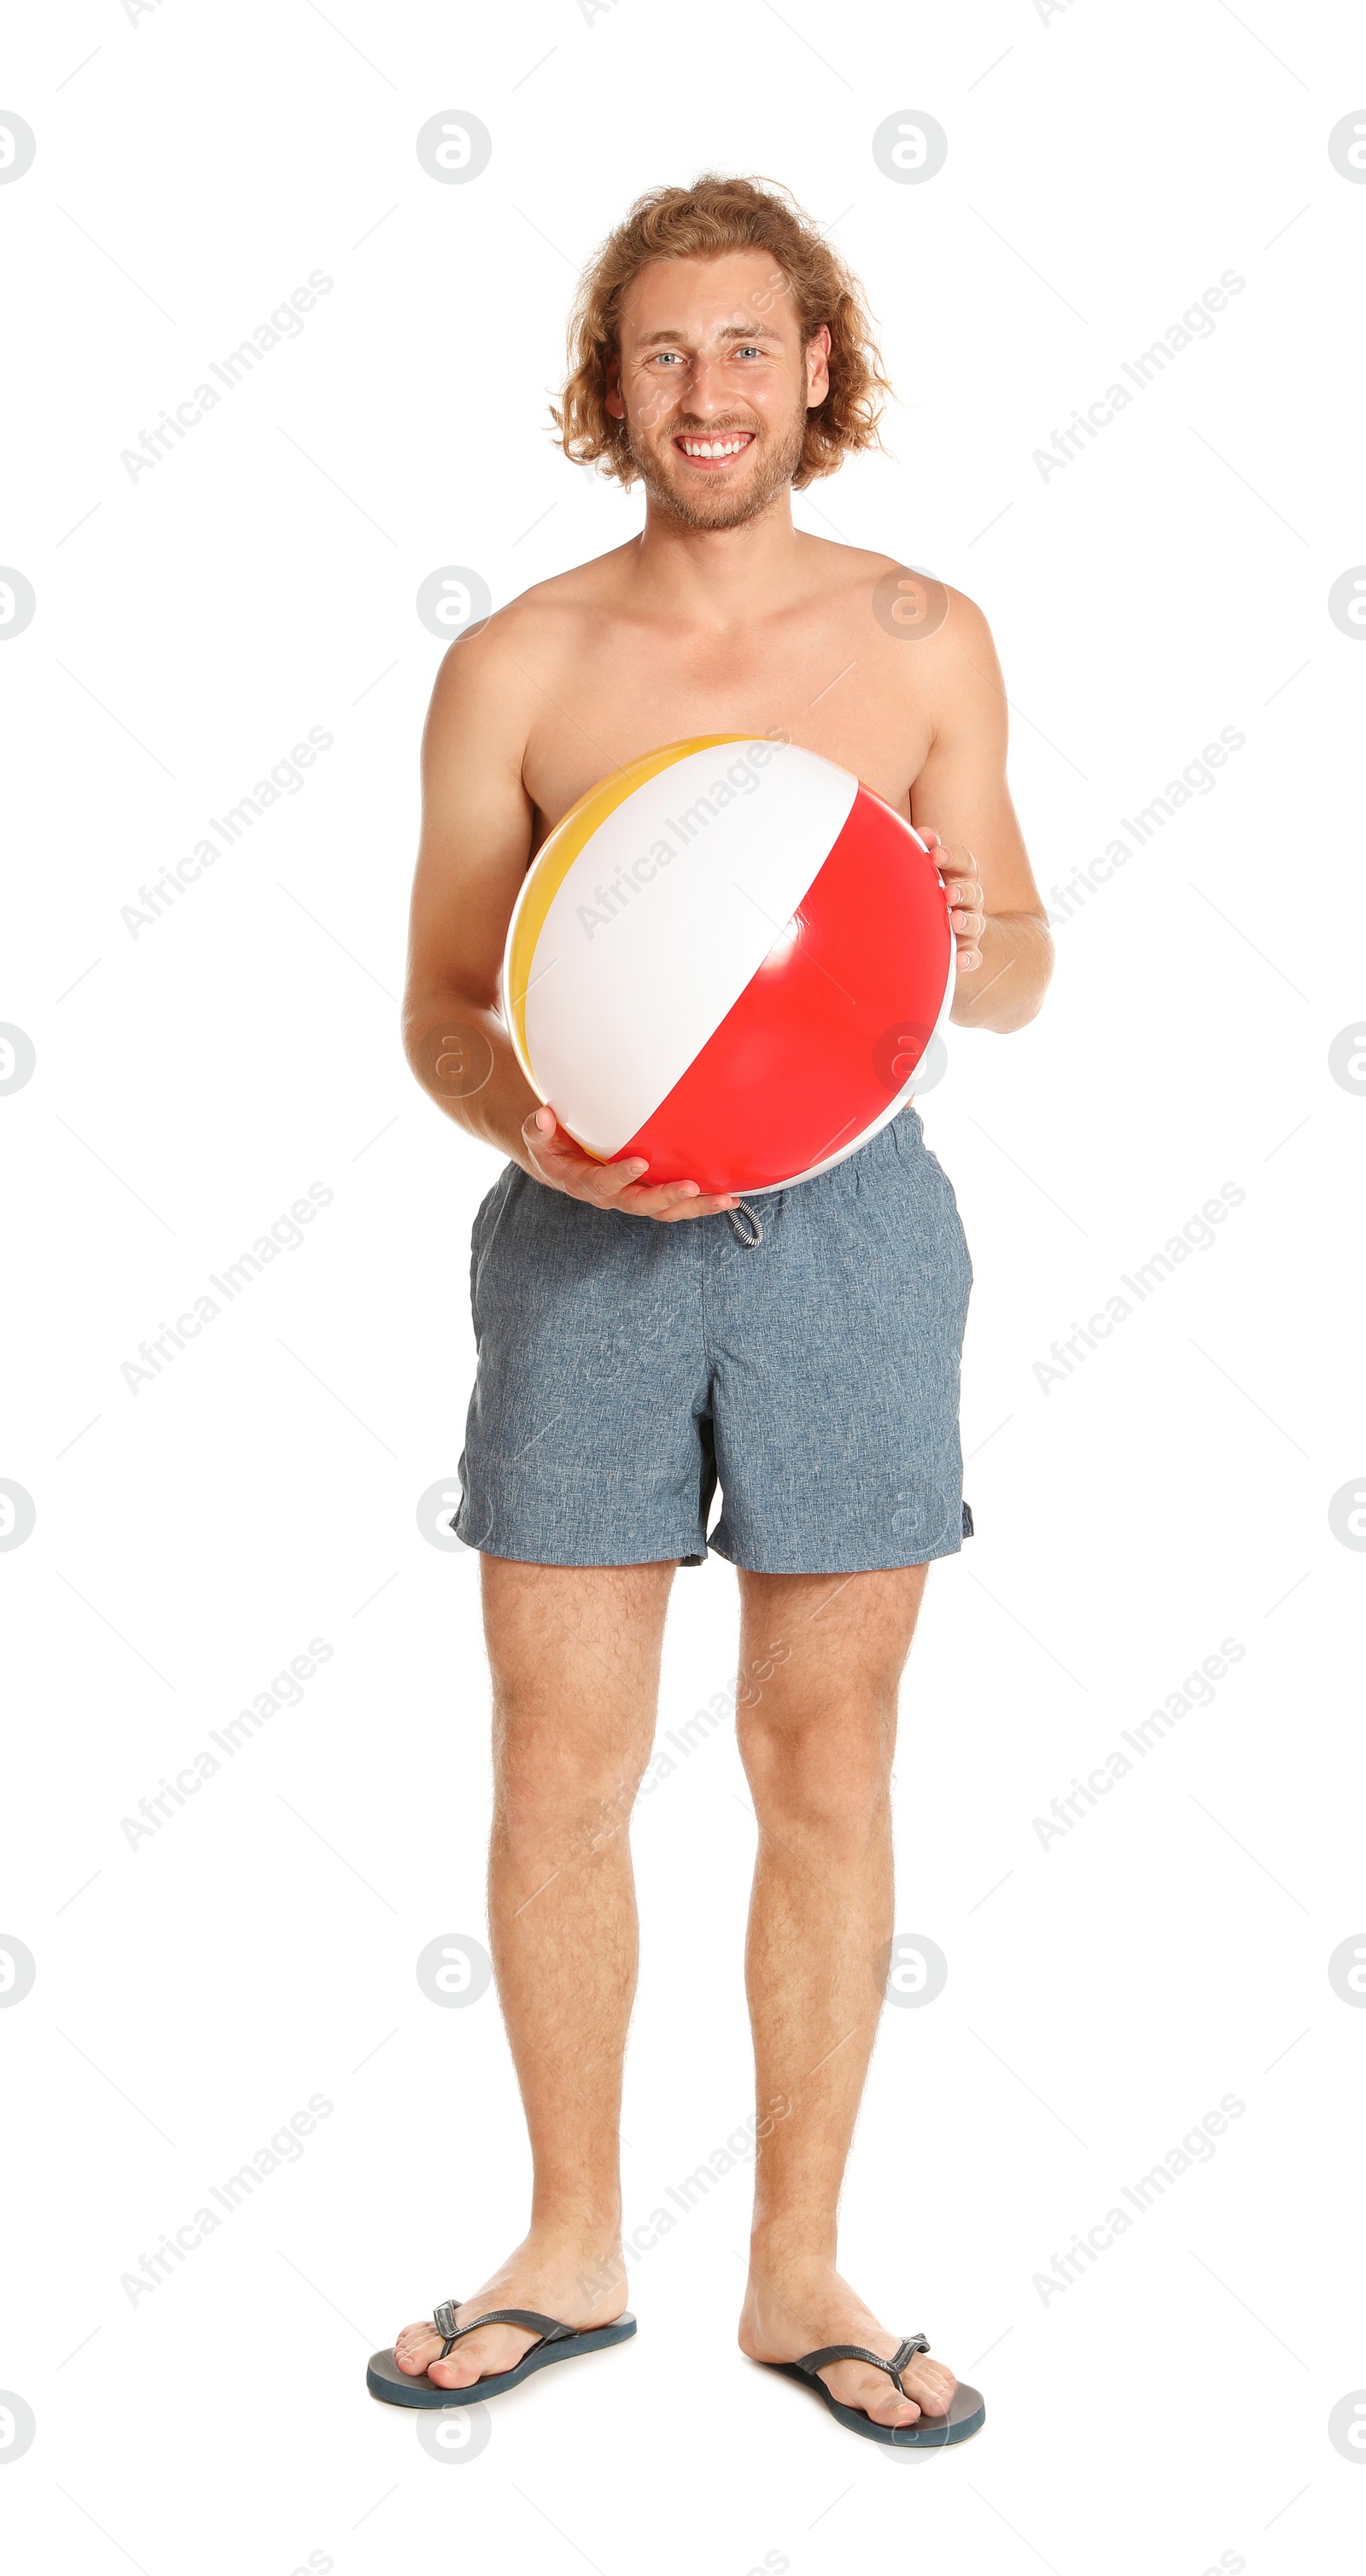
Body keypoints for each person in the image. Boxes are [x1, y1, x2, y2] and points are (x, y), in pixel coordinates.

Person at [379, 174, 1053, 2443]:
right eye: (664, 352)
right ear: (612, 383)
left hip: (855, 1239)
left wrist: (969, 932)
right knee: (560, 1765)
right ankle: (571, 2248)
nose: (709, 393)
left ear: (818, 367)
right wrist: (531, 1128)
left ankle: (798, 2270)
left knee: (824, 1759)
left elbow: (1028, 959)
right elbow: (443, 1008)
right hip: (585, 1232)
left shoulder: (924, 634)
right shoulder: (526, 663)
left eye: (747, 347)